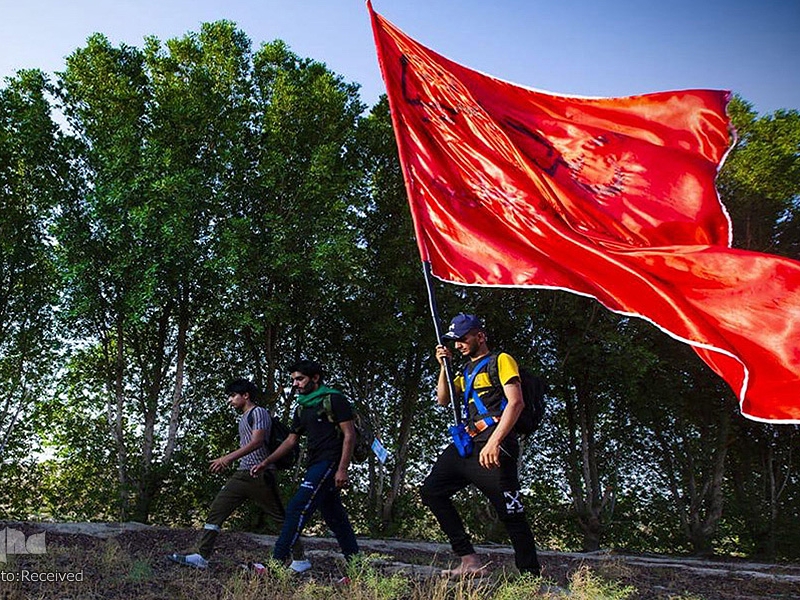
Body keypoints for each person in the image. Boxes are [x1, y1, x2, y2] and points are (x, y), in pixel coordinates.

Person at [422, 313, 541, 578]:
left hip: (495, 444)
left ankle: (530, 575)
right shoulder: (464, 370)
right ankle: (468, 560)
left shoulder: (501, 360)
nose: (458, 345)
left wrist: (495, 442)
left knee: (511, 512)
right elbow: (443, 399)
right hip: (467, 444)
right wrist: (444, 366)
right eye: (455, 341)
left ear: (480, 336)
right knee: (432, 491)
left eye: (463, 339)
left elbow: (516, 402)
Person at [168, 378, 309, 572]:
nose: (230, 400)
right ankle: (202, 556)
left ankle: (300, 559)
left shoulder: (258, 412)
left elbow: (257, 441)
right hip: (242, 474)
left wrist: (227, 458)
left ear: (246, 395)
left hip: (260, 475)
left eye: (233, 396)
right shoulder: (243, 418)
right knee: (217, 510)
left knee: (279, 519)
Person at [250, 360, 359, 569]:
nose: (295, 384)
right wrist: (266, 461)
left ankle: (274, 566)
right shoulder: (302, 408)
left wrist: (342, 469)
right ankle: (357, 569)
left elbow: (349, 434)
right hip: (314, 462)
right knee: (336, 519)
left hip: (329, 462)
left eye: (300, 379)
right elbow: (291, 440)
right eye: (293, 380)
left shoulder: (334, 399)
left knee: (296, 508)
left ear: (315, 378)